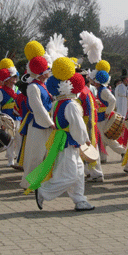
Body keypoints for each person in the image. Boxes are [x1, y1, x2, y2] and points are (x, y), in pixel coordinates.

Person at [27, 57, 95, 211]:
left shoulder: (59, 102)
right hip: (68, 142)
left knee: (78, 171)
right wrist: (85, 139)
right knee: (70, 175)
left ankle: (79, 200)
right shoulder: (71, 105)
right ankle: (43, 191)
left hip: (63, 140)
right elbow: (78, 126)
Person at [20, 42, 55, 189]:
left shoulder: (43, 85)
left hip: (45, 122)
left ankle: (41, 180)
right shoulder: (33, 87)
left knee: (44, 154)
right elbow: (38, 108)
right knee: (34, 155)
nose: (49, 72)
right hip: (38, 123)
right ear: (41, 72)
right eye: (48, 69)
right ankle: (28, 182)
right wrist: (49, 122)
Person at [92, 60, 126, 165]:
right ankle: (103, 157)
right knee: (101, 137)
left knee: (106, 138)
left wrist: (107, 112)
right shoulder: (101, 89)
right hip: (100, 116)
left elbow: (113, 100)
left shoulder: (103, 90)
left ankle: (123, 152)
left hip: (103, 116)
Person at [0, 58, 22, 168]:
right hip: (7, 119)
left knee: (20, 139)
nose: (14, 79)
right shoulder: (1, 91)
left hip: (18, 118)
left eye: (15, 77)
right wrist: (0, 121)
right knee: (10, 140)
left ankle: (20, 159)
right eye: (12, 77)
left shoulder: (17, 89)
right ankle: (10, 159)